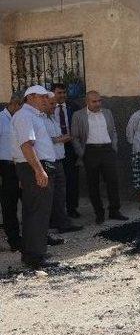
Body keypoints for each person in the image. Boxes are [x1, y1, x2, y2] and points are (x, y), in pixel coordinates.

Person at [12, 85, 59, 269]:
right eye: (42, 97)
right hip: (35, 168)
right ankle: (36, 257)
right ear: (30, 97)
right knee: (37, 212)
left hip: (33, 168)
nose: (46, 100)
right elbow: (26, 146)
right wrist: (39, 170)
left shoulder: (32, 116)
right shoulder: (25, 116)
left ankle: (33, 254)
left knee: (36, 211)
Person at [71, 91, 128, 224]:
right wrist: (82, 154)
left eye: (99, 101)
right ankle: (99, 213)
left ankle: (114, 210)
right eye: (94, 101)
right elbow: (75, 137)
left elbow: (113, 131)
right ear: (87, 102)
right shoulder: (78, 115)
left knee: (113, 182)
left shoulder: (107, 112)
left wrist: (114, 147)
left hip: (107, 150)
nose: (98, 104)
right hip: (90, 152)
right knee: (93, 184)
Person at [43, 94, 83, 233]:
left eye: (54, 104)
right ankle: (58, 222)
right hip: (49, 161)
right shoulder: (41, 120)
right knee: (53, 194)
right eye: (51, 104)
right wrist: (60, 139)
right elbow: (44, 139)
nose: (54, 106)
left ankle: (60, 221)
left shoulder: (52, 118)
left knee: (59, 193)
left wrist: (61, 139)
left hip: (59, 159)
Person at [51, 83, 81, 218]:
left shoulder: (73, 107)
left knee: (72, 179)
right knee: (56, 181)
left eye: (64, 92)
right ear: (53, 93)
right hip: (53, 148)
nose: (62, 95)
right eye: (59, 93)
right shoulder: (48, 108)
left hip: (70, 148)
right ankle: (57, 211)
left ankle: (72, 208)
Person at [0, 94, 22, 251]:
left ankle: (36, 236)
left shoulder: (21, 119)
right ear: (15, 104)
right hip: (6, 168)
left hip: (22, 166)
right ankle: (14, 240)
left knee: (30, 202)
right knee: (9, 205)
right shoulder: (1, 119)